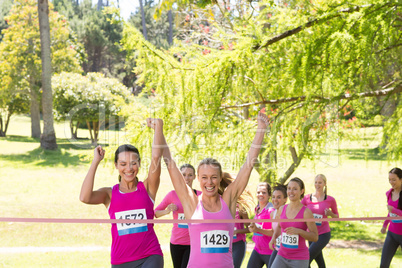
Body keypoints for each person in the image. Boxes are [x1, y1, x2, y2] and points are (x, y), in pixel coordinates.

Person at [162, 111, 270, 268]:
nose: (209, 182)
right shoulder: (192, 204)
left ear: (220, 178)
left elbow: (248, 166)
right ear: (198, 179)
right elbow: (171, 166)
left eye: (213, 177)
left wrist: (261, 130)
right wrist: (159, 130)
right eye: (204, 177)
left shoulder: (228, 201)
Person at [79, 118, 164, 268]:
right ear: (116, 165)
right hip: (120, 261)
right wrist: (95, 162)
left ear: (139, 164)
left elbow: (156, 157)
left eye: (133, 163)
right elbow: (84, 197)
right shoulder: (109, 194)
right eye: (123, 164)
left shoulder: (148, 187)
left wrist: (158, 127)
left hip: (150, 256)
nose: (129, 168)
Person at [154, 164, 201, 268]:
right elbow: (155, 213)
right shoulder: (172, 195)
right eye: (183, 175)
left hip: (193, 243)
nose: (187, 178)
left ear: (194, 177)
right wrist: (167, 211)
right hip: (176, 243)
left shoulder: (200, 196)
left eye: (190, 175)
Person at [269, 177, 318, 268]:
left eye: (295, 189)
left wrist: (299, 231)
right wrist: (273, 238)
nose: (291, 192)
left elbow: (315, 237)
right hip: (282, 255)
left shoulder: (306, 212)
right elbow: (280, 227)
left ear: (302, 191)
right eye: (289, 188)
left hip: (299, 258)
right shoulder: (282, 209)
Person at [301, 174, 339, 268]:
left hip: (323, 234)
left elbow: (337, 217)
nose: (317, 185)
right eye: (316, 182)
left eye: (320, 182)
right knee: (319, 260)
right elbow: (299, 210)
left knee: (306, 259)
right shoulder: (307, 198)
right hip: (311, 233)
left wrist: (330, 214)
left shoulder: (330, 199)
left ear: (325, 184)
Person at [247, 182, 274, 268]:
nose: (260, 194)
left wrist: (257, 230)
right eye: (258, 192)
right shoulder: (257, 209)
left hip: (270, 251)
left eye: (264, 192)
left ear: (269, 195)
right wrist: (253, 228)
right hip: (257, 250)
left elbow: (275, 233)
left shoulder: (271, 211)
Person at [380, 167, 402, 268]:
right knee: (384, 265)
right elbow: (390, 213)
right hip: (392, 234)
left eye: (394, 180)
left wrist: (394, 210)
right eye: (389, 179)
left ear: (401, 179)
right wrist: (385, 225)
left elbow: (392, 210)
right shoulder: (389, 193)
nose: (391, 182)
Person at [267, 184, 288, 268]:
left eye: (278, 197)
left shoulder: (288, 213)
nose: (275, 200)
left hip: (288, 251)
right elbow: (274, 232)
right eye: (273, 197)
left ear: (285, 199)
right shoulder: (272, 214)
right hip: (277, 249)